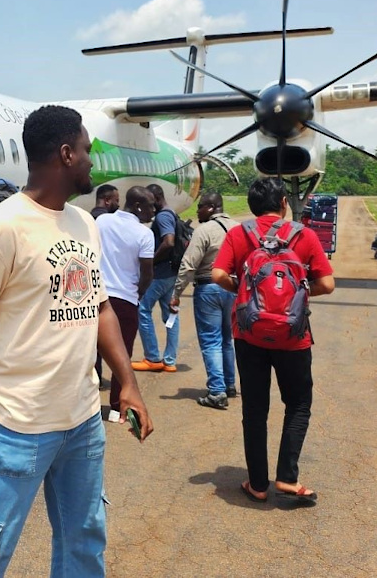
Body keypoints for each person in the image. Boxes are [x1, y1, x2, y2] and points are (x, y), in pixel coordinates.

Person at [0, 105, 151, 577]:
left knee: (85, 538)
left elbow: (100, 306)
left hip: (83, 418)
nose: (90, 161)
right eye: (85, 150)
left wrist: (127, 382)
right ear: (65, 154)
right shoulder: (2, 228)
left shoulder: (84, 224)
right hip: (18, 423)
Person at [213, 177, 335, 506]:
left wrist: (241, 292)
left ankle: (257, 484)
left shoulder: (239, 234)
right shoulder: (303, 235)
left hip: (249, 334)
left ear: (252, 205)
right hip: (293, 338)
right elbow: (328, 283)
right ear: (283, 203)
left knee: (255, 408)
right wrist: (300, 293)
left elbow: (217, 274)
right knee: (297, 405)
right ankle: (287, 477)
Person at [176, 191, 239, 409]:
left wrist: (176, 294)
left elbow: (188, 265)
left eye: (201, 206)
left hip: (208, 289)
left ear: (211, 208)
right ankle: (230, 385)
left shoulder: (204, 231)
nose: (197, 210)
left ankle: (216, 391)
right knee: (227, 338)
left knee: (211, 340)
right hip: (233, 287)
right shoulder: (239, 228)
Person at [96, 187, 155, 376]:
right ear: (137, 206)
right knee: (122, 355)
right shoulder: (144, 234)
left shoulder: (102, 221)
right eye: (150, 206)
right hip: (125, 301)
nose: (153, 211)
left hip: (99, 297)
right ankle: (117, 403)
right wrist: (138, 293)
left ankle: (90, 401)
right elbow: (147, 274)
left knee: (91, 352)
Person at [138, 184, 184, 371]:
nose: (147, 206)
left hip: (159, 275)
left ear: (156, 198)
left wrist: (151, 261)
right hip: (170, 274)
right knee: (171, 315)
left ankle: (153, 358)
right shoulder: (171, 212)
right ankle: (170, 361)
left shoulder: (163, 215)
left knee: (142, 310)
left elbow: (169, 241)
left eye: (149, 201)